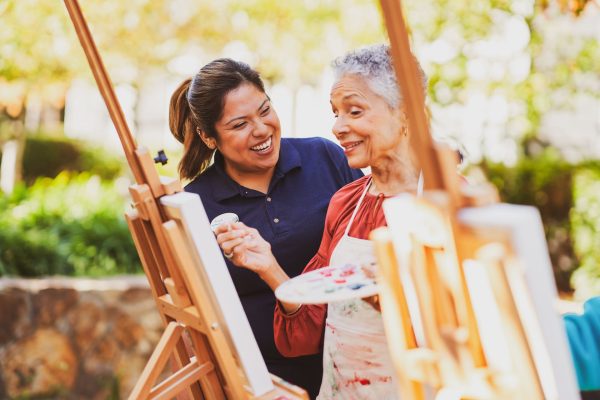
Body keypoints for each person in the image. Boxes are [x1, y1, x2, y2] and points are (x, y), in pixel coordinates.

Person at [215, 44, 426, 399]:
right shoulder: (346, 202)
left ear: (405, 113)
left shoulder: (441, 204)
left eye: (354, 111)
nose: (338, 127)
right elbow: (310, 329)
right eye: (336, 113)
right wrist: (268, 266)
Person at [168, 58, 363, 398]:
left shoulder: (325, 157)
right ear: (208, 137)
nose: (261, 129)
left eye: (265, 110)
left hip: (348, 360)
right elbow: (194, 316)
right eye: (240, 124)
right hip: (261, 381)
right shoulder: (195, 203)